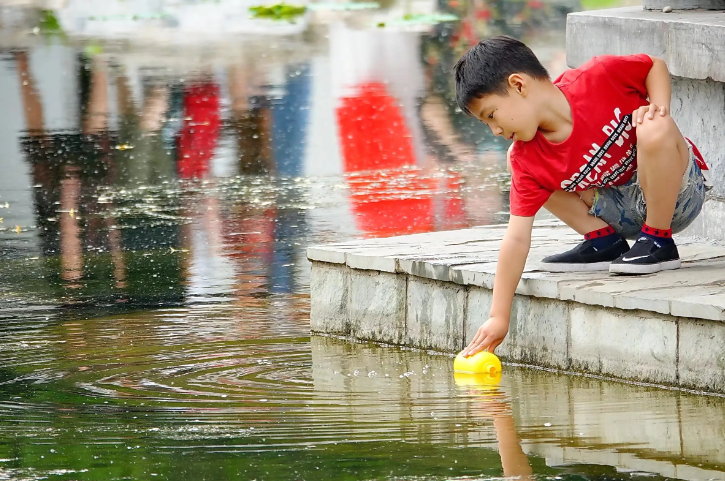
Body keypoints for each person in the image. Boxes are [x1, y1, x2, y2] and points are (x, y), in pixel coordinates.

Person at [456, 36, 712, 357]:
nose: (494, 130)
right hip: (620, 211)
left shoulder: (598, 77)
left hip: (677, 193)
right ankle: (603, 241)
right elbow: (517, 238)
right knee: (520, 162)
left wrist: (658, 108)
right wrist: (498, 316)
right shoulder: (529, 154)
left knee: (654, 126)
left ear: (518, 85)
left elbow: (653, 66)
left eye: (491, 115)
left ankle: (659, 242)